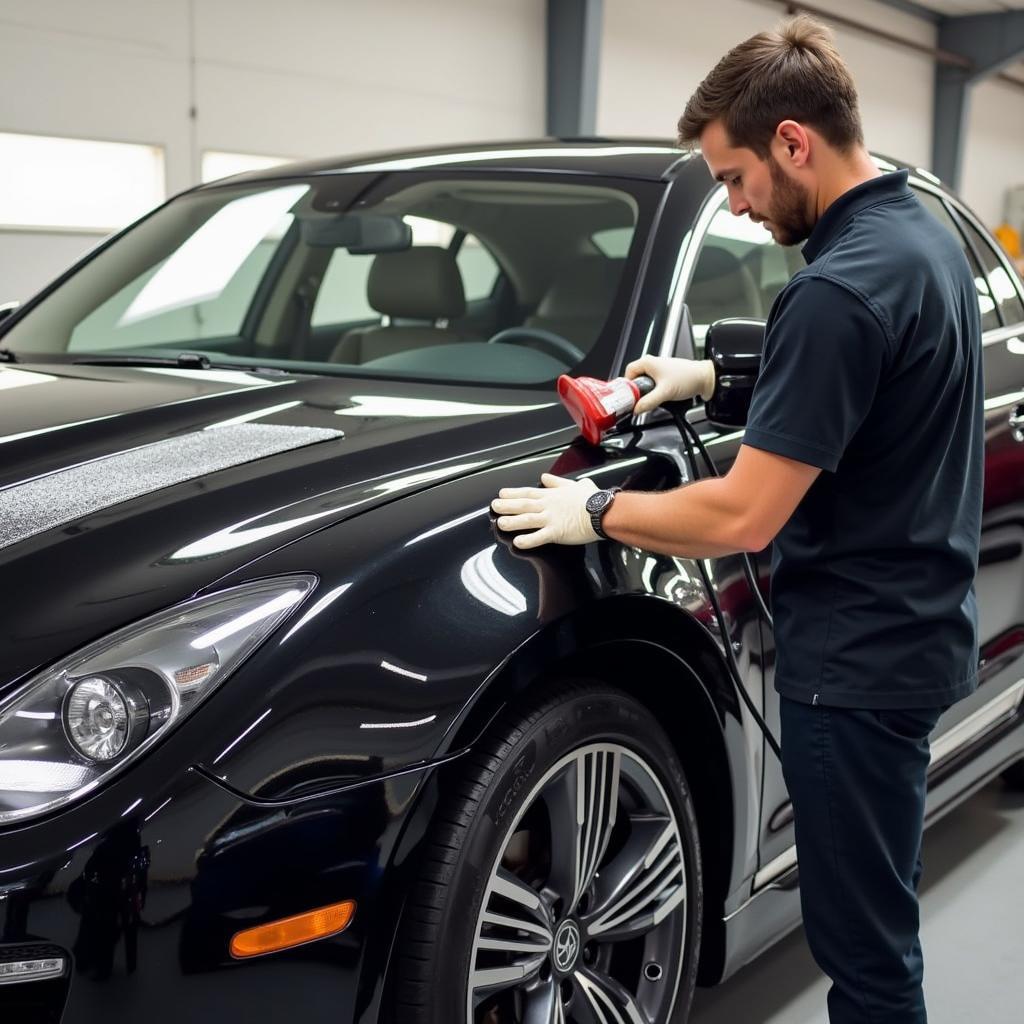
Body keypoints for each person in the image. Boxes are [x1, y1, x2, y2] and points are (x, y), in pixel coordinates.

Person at [491, 14, 983, 1024]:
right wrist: (708, 375)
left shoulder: (836, 289)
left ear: (792, 142)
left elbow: (745, 514)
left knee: (866, 960)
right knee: (878, 919)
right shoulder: (916, 240)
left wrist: (597, 511)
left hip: (849, 670)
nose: (736, 204)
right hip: (914, 639)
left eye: (734, 177)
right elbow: (863, 388)